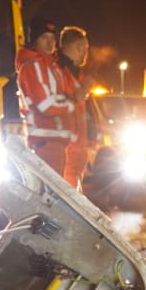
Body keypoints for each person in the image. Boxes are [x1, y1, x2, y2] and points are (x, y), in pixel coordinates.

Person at [14, 15, 76, 176]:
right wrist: (73, 103)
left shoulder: (53, 65)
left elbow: (72, 93)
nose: (50, 43)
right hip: (44, 143)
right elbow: (46, 106)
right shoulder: (32, 66)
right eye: (44, 37)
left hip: (56, 143)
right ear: (33, 40)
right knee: (51, 196)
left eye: (52, 38)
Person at [55, 26, 93, 190]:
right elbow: (69, 100)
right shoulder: (58, 71)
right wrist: (84, 89)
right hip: (64, 152)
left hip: (75, 154)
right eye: (85, 48)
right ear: (79, 47)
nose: (86, 53)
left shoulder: (75, 73)